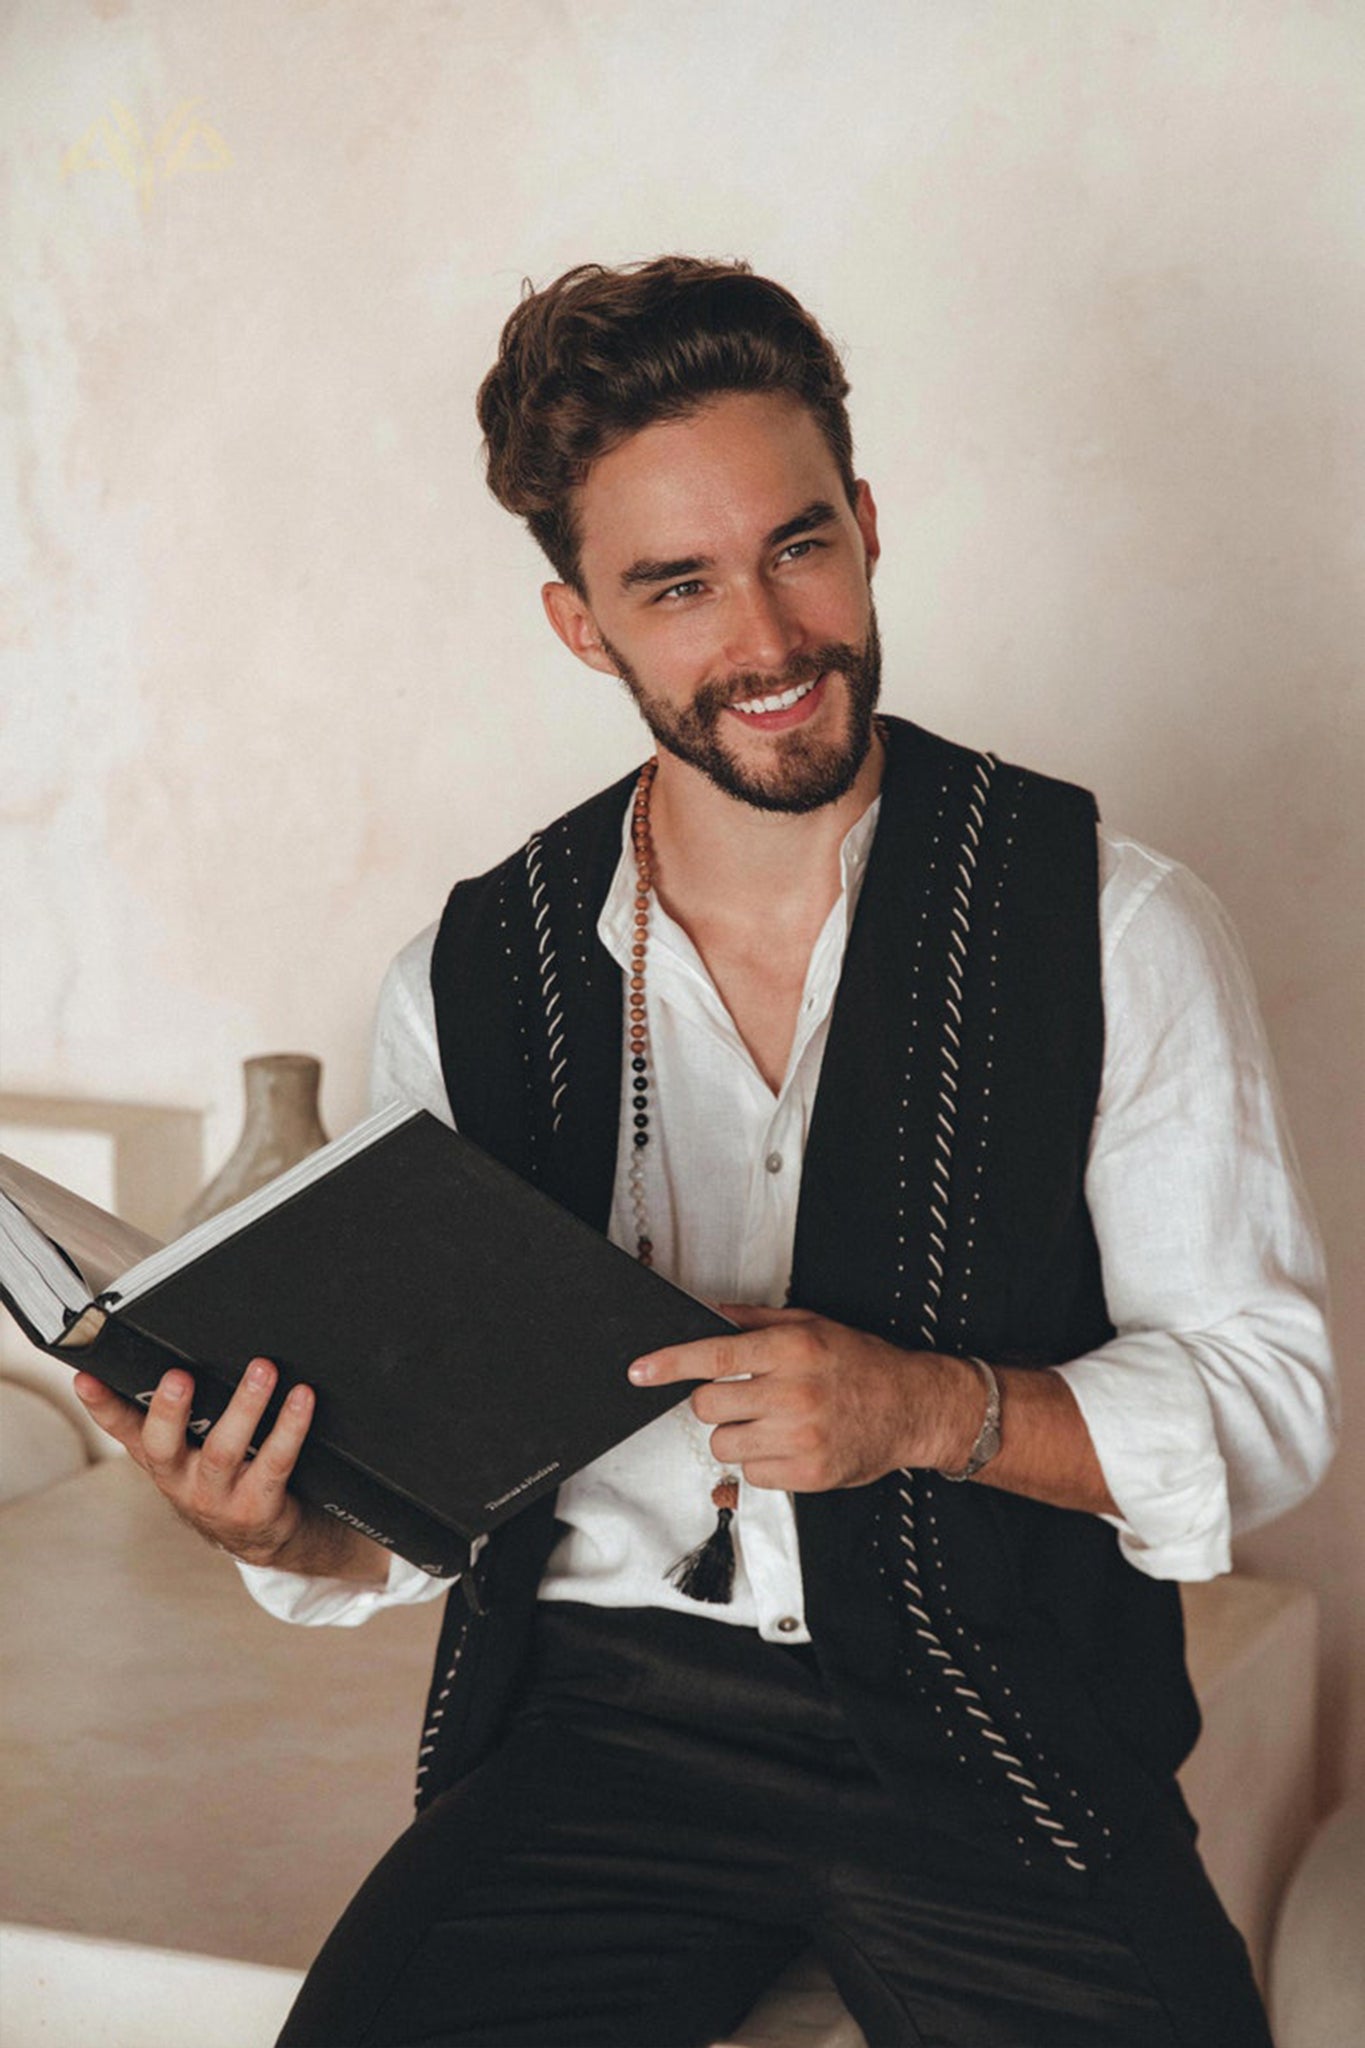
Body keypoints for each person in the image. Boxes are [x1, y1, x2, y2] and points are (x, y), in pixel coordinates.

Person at [76, 257, 1336, 2048]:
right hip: (591, 1729)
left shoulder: (1112, 924)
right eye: (676, 586)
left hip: (995, 1731)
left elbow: (1269, 1403)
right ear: (579, 624)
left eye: (796, 547)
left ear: (869, 525)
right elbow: (437, 1482)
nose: (767, 640)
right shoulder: (471, 968)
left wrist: (926, 1412)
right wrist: (284, 1524)